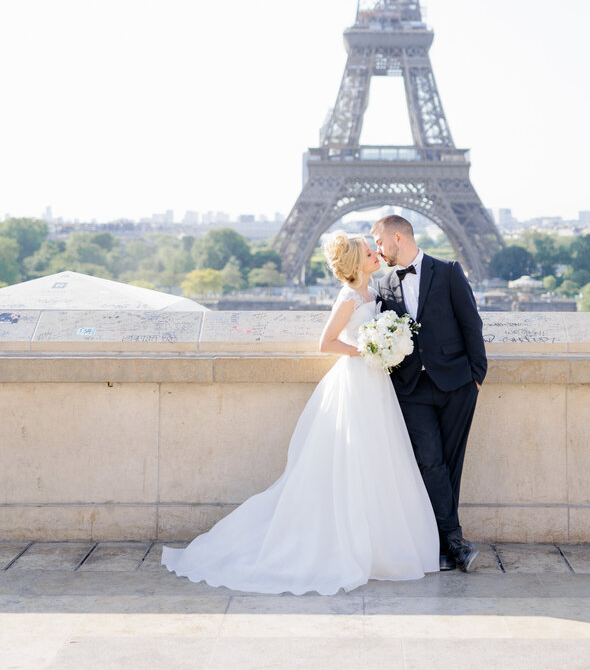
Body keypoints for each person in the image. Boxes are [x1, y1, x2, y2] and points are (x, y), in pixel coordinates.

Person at [161, 231, 438, 595]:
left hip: (375, 385)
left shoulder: (373, 292)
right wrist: (367, 349)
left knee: (378, 459)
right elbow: (326, 343)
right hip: (358, 381)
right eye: (369, 253)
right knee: (356, 462)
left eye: (374, 251)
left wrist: (383, 347)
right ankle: (355, 543)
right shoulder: (349, 297)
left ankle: (373, 545)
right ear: (357, 262)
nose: (376, 255)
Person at [372, 214, 487, 573]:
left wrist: (476, 376)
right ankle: (455, 541)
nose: (377, 250)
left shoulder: (448, 271)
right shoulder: (384, 284)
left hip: (456, 384)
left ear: (397, 237)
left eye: (379, 242)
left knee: (451, 463)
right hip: (412, 388)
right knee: (430, 462)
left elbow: (471, 322)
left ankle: (442, 546)